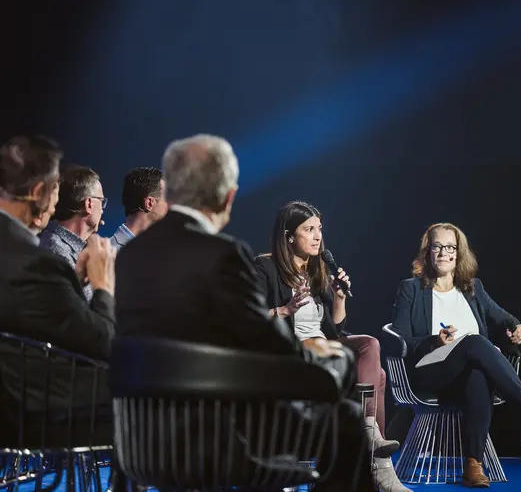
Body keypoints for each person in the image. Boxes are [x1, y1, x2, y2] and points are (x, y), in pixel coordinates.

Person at [115, 135, 374, 491]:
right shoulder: (222, 253)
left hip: (139, 439)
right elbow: (265, 342)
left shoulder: (128, 255)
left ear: (171, 192)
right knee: (346, 414)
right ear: (228, 197)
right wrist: (319, 358)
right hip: (216, 436)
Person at [390, 222, 521, 487]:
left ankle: (473, 465)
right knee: (475, 342)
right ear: (427, 252)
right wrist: (434, 341)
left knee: (478, 372)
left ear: (459, 253)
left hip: (465, 376)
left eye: (450, 247)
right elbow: (400, 340)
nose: (444, 253)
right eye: (437, 247)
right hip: (429, 374)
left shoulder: (472, 288)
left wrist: (517, 327)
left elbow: (504, 318)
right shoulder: (411, 289)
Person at [253, 200, 410, 492]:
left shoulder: (318, 269)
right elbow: (251, 317)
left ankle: (371, 440)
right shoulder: (266, 267)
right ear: (289, 236)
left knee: (370, 347)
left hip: (325, 348)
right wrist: (285, 310)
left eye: (319, 229)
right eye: (308, 229)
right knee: (377, 378)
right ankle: (379, 468)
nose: (317, 237)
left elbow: (333, 328)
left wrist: (339, 298)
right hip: (291, 352)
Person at [0, 135, 116, 447]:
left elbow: (39, 315)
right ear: (39, 192)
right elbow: (102, 341)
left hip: (17, 398)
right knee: (147, 382)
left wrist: (73, 283)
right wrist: (103, 285)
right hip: (35, 411)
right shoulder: (35, 263)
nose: (55, 204)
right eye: (55, 192)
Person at [39, 165, 106, 301]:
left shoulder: (72, 247)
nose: (103, 209)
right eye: (101, 201)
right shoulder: (58, 253)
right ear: (89, 204)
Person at [110, 166, 168, 251]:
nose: (170, 206)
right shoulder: (111, 253)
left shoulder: (155, 249)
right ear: (149, 203)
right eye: (166, 198)